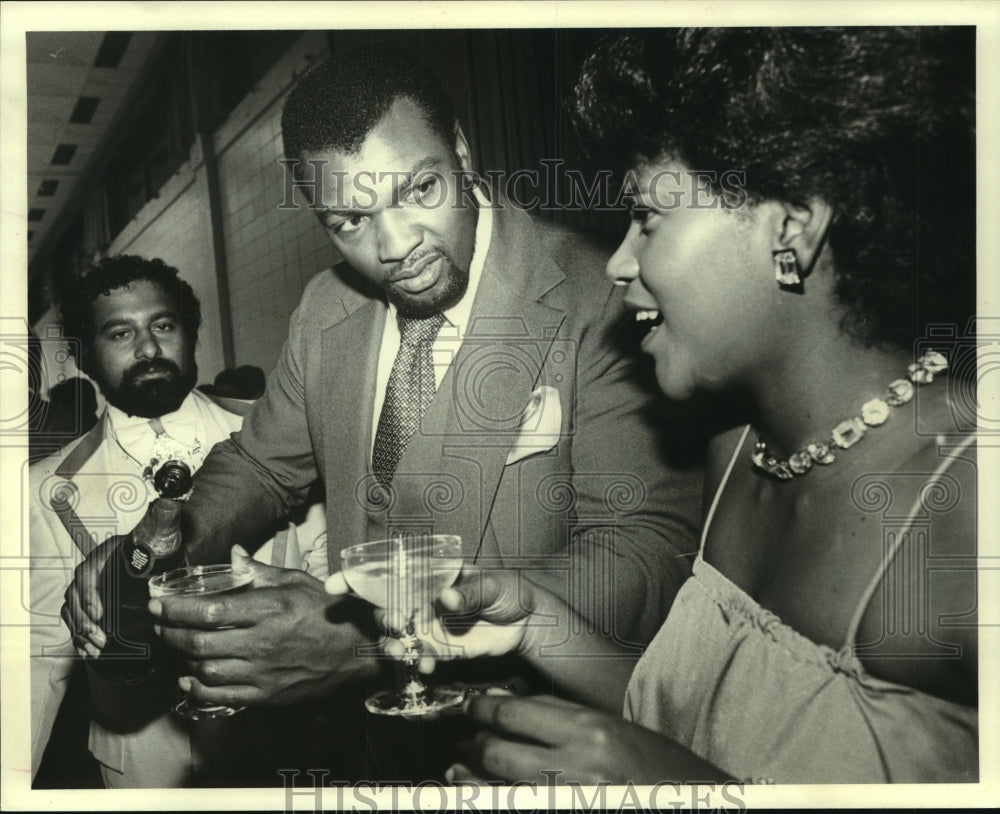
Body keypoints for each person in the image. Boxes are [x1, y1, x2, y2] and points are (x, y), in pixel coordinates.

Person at [62, 44, 704, 783]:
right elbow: (262, 466)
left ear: (461, 150)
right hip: (359, 759)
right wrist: (175, 540)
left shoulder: (601, 298)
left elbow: (644, 555)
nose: (396, 246)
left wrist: (378, 637)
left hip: (522, 753)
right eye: (349, 220)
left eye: (420, 190)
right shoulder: (325, 309)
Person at [369, 28, 979, 785]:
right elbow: (713, 721)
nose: (619, 262)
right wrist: (536, 625)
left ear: (791, 228)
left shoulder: (970, 507)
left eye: (648, 219)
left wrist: (680, 794)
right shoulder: (735, 451)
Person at [29, 255, 325, 787]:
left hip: (287, 750)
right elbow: (35, 659)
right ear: (86, 357)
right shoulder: (46, 488)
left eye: (163, 326)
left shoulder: (283, 442)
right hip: (146, 771)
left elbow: (335, 585)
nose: (148, 349)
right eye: (120, 333)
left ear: (191, 334)